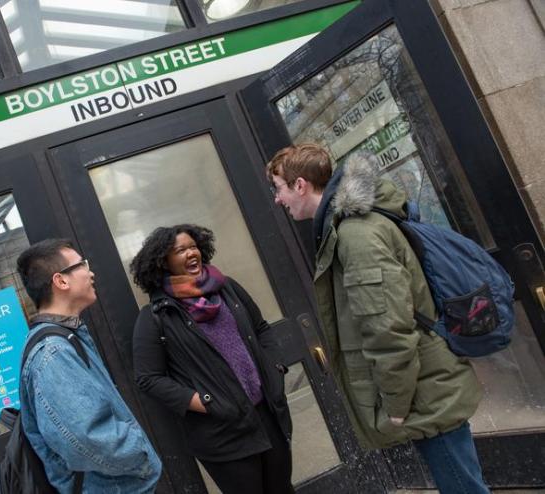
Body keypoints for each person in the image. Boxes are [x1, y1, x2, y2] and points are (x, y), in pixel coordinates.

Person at [265, 144, 487, 493]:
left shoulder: (356, 236)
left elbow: (388, 327)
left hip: (423, 393)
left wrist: (396, 405)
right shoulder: (347, 228)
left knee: (462, 486)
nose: (278, 199)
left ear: (300, 185)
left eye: (278, 188)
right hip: (426, 383)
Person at [130, 224, 293, 494]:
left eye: (193, 246)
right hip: (222, 431)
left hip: (266, 414)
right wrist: (205, 402)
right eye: (180, 250)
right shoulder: (155, 316)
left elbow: (261, 328)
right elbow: (148, 379)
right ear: (163, 262)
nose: (190, 252)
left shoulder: (227, 288)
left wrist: (274, 368)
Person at [16, 239, 162, 493]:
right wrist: (140, 450)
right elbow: (88, 438)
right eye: (83, 265)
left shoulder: (63, 339)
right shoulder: (53, 352)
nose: (91, 272)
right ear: (61, 281)